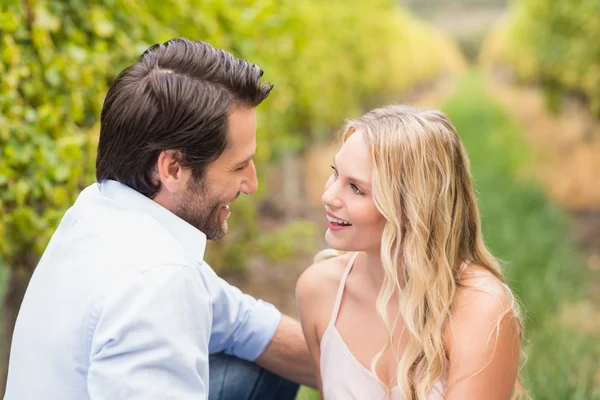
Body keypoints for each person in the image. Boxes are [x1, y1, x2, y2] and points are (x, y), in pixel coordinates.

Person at [5, 38, 315, 400]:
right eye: (239, 166)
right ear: (172, 168)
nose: (252, 184)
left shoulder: (96, 211)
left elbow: (243, 323)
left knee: (260, 363)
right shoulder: (156, 281)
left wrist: (376, 381)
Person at [296, 105, 529, 399]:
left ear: (412, 208)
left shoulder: (481, 309)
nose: (328, 196)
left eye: (356, 188)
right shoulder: (319, 291)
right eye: (335, 174)